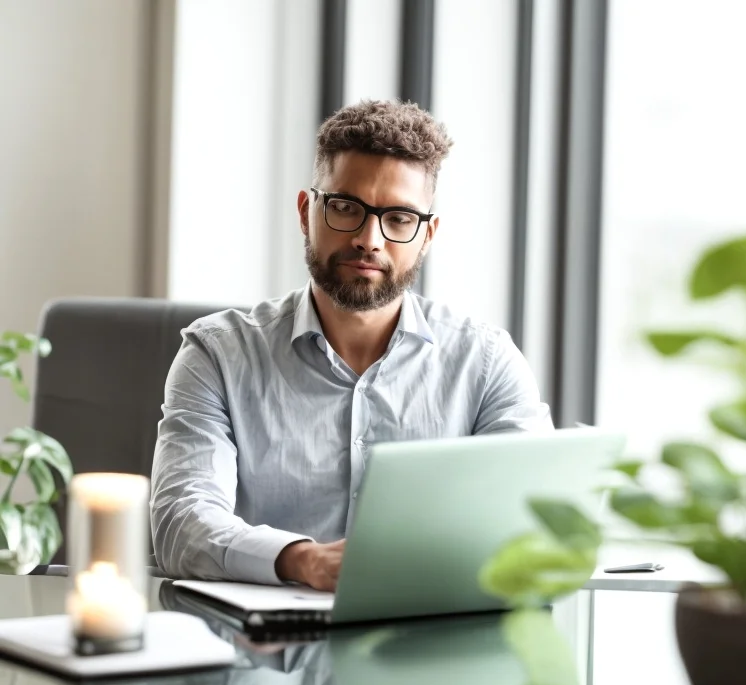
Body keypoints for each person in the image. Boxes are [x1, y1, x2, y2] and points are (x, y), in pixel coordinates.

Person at [150, 99, 552, 592]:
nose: (369, 238)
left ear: (427, 235)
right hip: (262, 654)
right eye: (345, 208)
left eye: (399, 218)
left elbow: (532, 523)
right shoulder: (217, 354)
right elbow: (180, 522)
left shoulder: (487, 363)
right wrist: (302, 560)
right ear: (306, 212)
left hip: (428, 644)